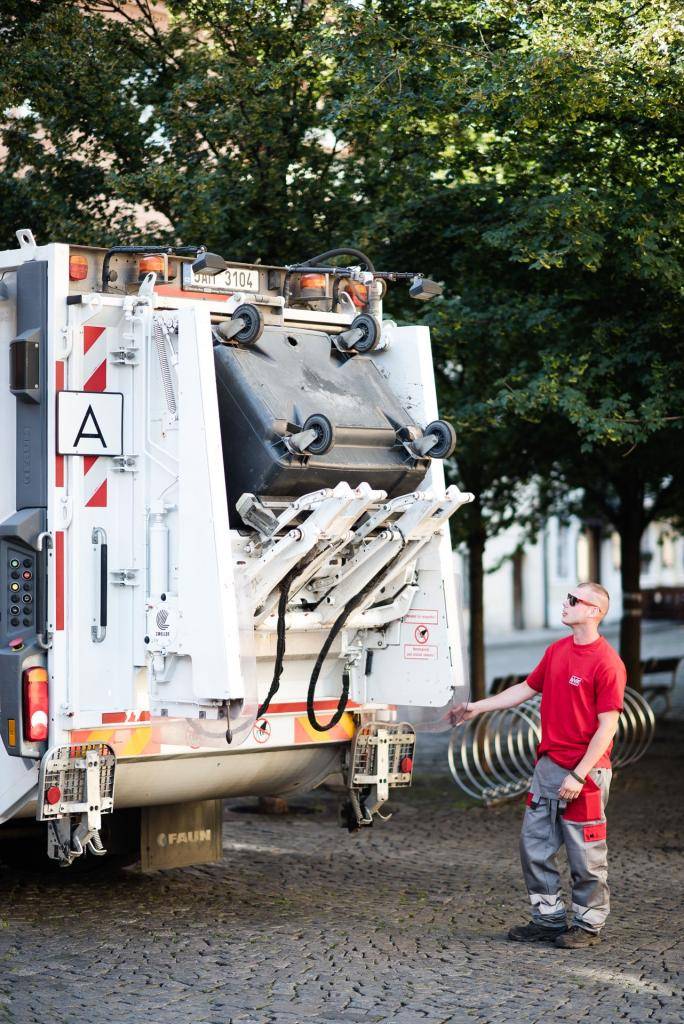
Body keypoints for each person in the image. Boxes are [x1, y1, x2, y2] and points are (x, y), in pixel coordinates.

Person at [451, 582, 626, 948]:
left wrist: (579, 774)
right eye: (567, 597)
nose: (566, 604)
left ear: (595, 611)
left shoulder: (607, 662)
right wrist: (476, 708)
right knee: (534, 846)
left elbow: (607, 726)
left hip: (586, 773)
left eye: (574, 600)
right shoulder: (557, 650)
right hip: (548, 767)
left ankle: (588, 925)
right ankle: (547, 920)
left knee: (585, 852)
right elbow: (526, 689)